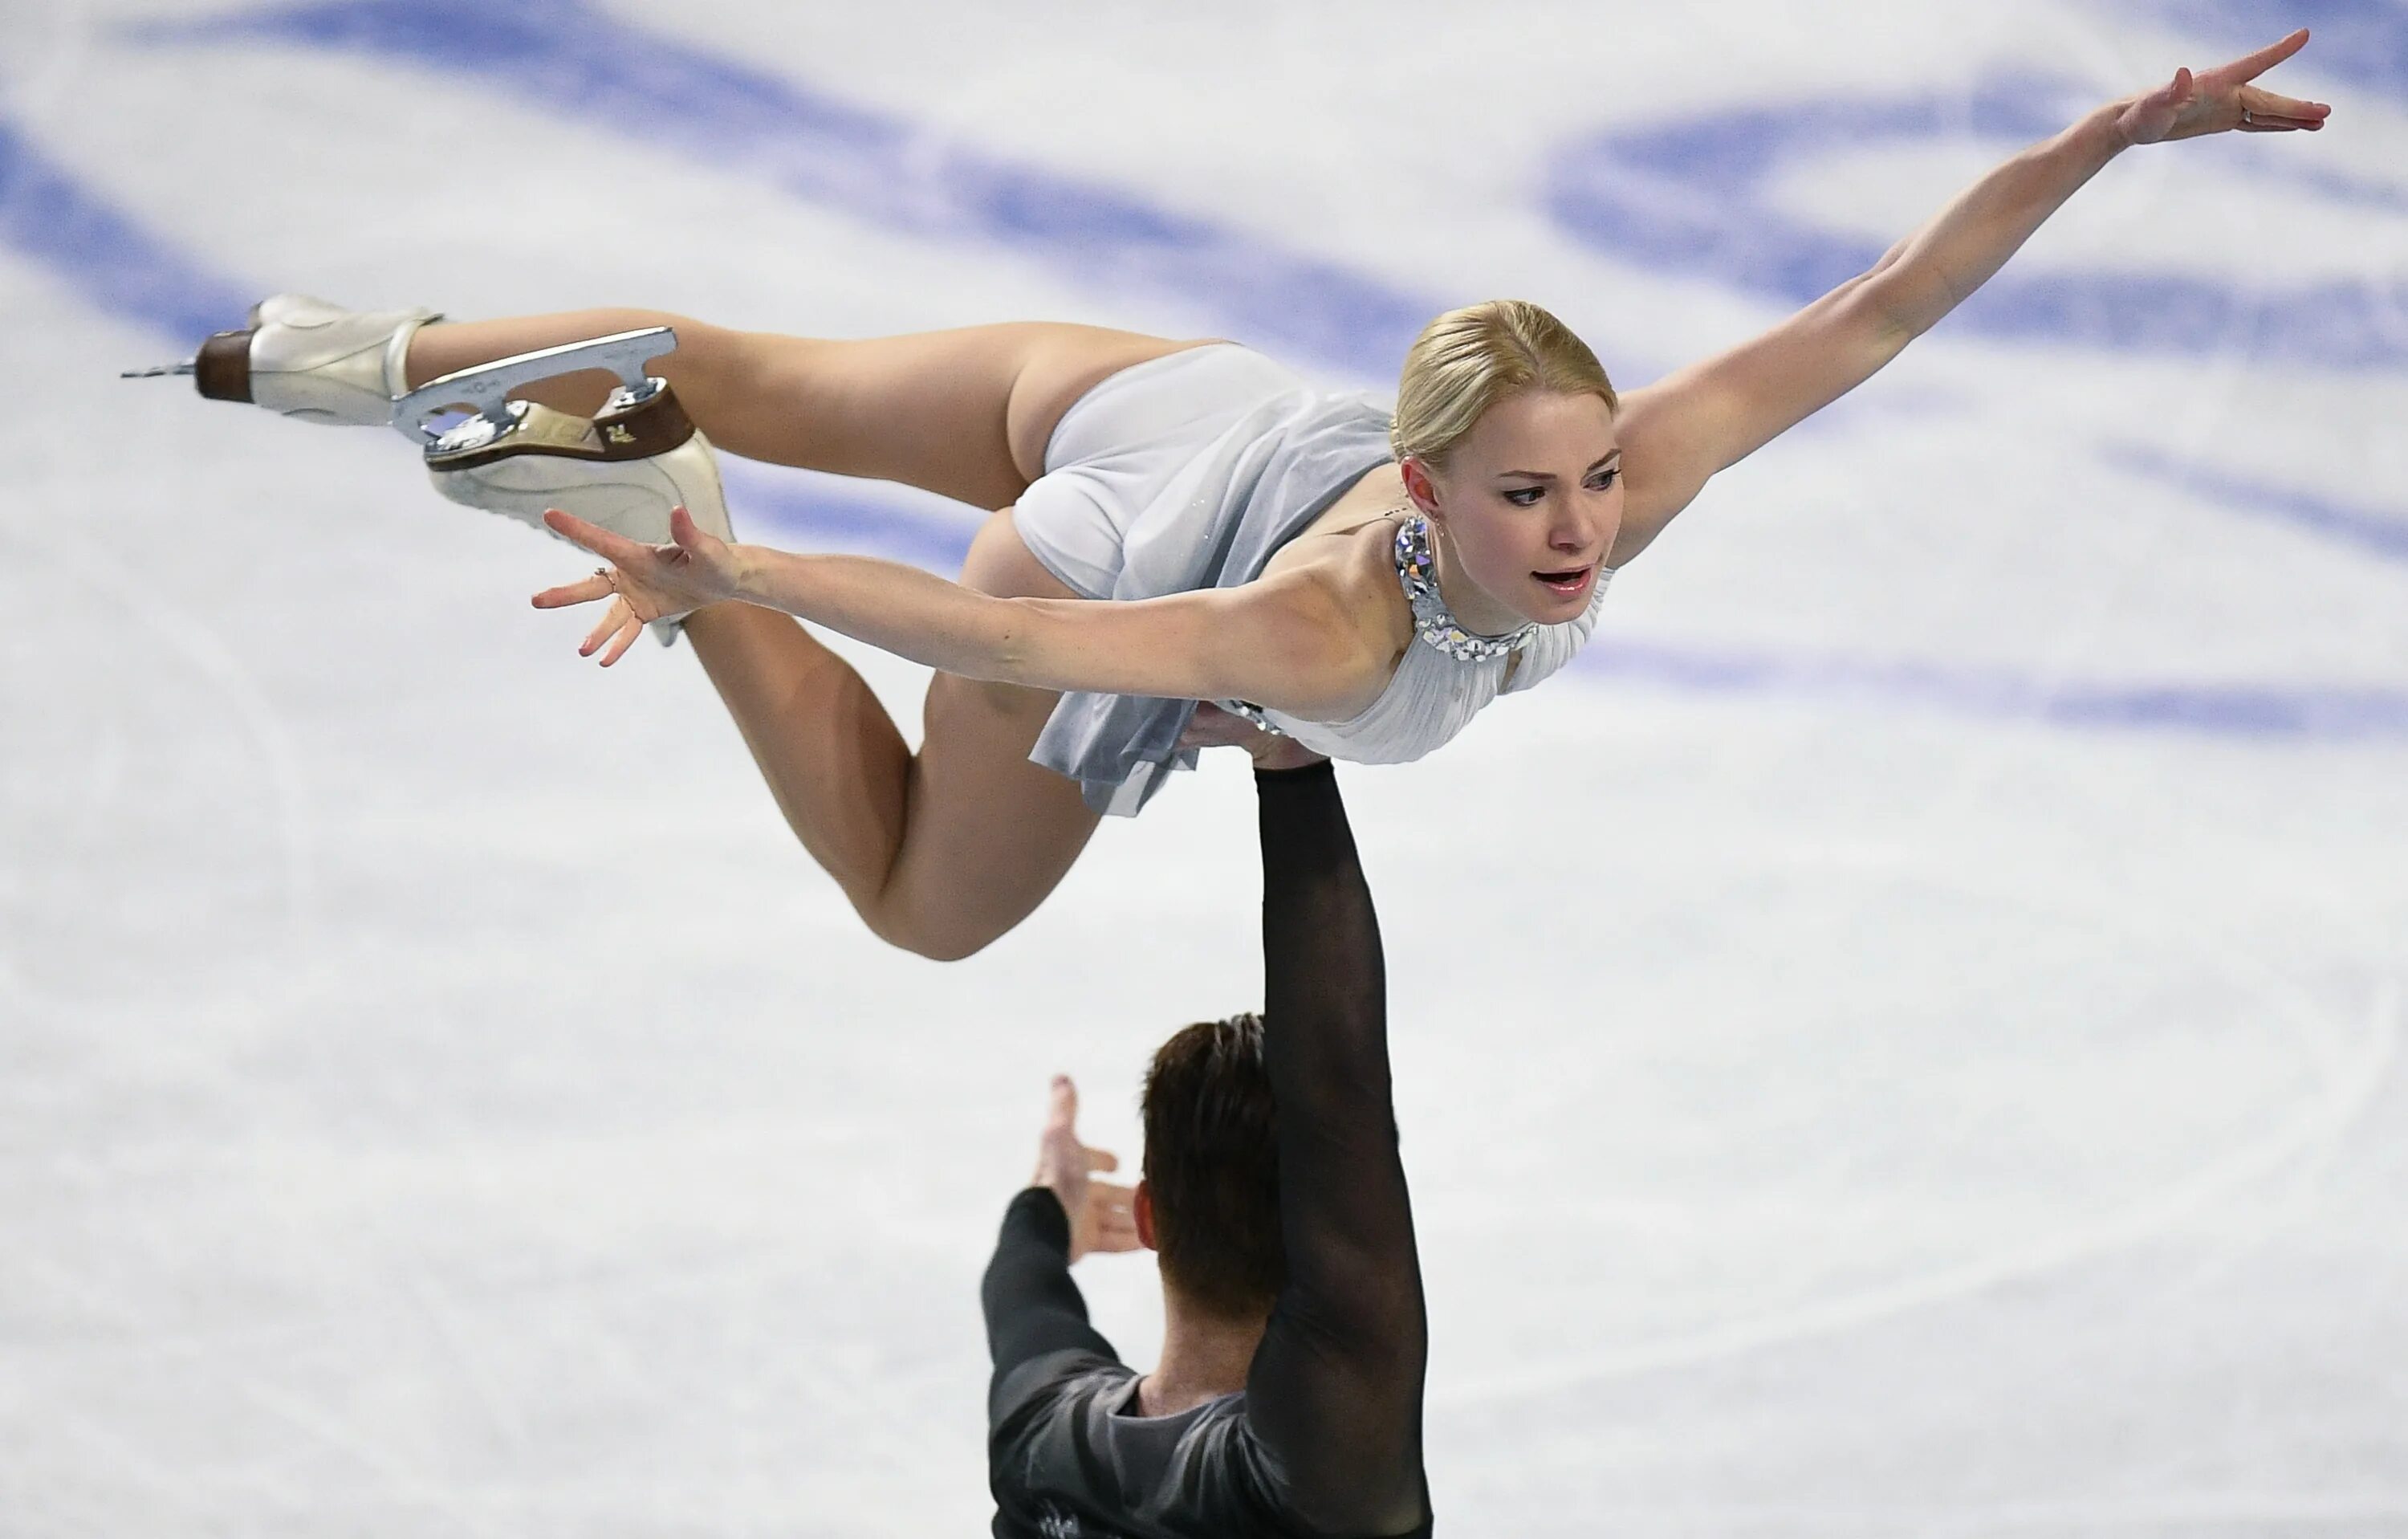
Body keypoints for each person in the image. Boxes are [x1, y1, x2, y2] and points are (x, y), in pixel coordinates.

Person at [173, 34, 2328, 959]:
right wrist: (740, 577)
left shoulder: (1600, 475)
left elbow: (1872, 307)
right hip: (1116, 543)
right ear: (1426, 486)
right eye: (1529, 496)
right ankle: (660, 477)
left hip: (1168, 405)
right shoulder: (1336, 629)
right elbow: (1019, 631)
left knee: (776, 356)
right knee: (924, 900)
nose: (1582, 526)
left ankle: (339, 357)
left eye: (1590, 479)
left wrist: (2107, 142)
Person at [981, 738, 1427, 1537]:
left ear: (1151, 1218)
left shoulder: (1041, 1438)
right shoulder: (1312, 1472)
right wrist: (1291, 759)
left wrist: (1046, 1210)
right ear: (1333, 1235)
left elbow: (1024, 1299)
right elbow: (1340, 1098)